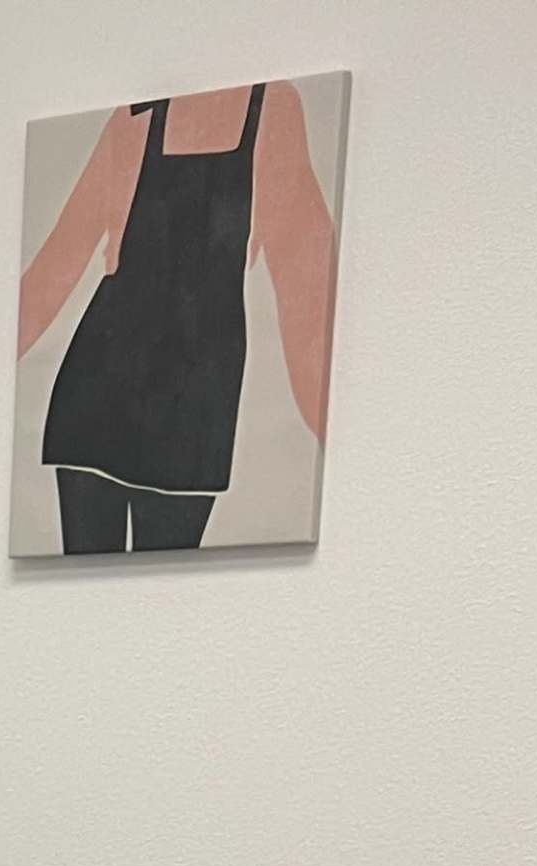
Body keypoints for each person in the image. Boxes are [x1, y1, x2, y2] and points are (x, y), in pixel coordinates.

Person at [19, 82, 335, 552]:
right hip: (96, 400)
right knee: (82, 580)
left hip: (194, 412)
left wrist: (341, 437)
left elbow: (307, 286)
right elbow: (62, 256)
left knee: (170, 587)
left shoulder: (274, 109)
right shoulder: (136, 117)